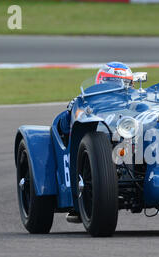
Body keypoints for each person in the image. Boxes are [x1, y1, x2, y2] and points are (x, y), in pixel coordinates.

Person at [65, 62, 133, 224]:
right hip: (97, 150)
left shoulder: (134, 105)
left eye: (126, 84)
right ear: (101, 81)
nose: (120, 88)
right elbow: (64, 123)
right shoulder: (85, 101)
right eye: (113, 82)